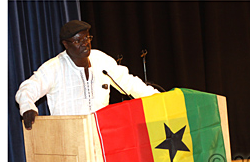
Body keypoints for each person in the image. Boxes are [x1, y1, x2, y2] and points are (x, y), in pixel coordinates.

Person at [16, 20, 159, 129]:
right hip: (69, 137)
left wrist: (159, 98)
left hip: (101, 134)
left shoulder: (100, 60)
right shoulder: (54, 68)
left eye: (87, 38)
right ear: (66, 44)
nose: (85, 44)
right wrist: (27, 107)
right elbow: (26, 90)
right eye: (78, 41)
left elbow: (129, 82)